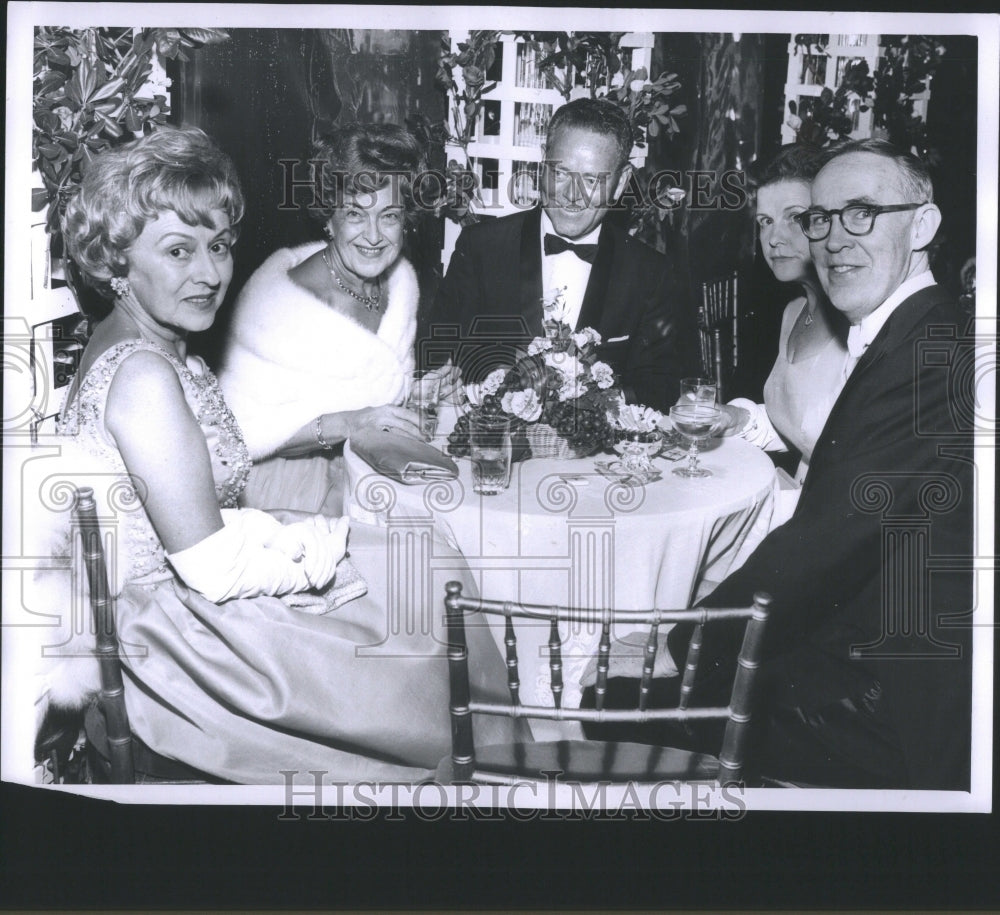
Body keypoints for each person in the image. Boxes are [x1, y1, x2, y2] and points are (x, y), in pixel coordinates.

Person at [39, 126, 521, 785]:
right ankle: (474, 782)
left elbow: (192, 515)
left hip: (179, 601)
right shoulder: (145, 377)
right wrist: (321, 552)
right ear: (116, 262)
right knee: (421, 622)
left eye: (219, 245)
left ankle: (481, 762)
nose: (210, 272)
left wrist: (314, 539)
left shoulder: (142, 344)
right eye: (179, 250)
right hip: (176, 646)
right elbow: (211, 567)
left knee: (420, 561)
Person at [589, 139, 974, 790]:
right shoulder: (909, 331)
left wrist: (680, 648)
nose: (832, 239)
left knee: (605, 702)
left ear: (925, 224)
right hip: (859, 642)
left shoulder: (932, 354)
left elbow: (823, 543)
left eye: (862, 213)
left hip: (890, 703)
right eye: (819, 219)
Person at [419, 97, 698, 412]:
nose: (572, 196)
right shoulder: (481, 248)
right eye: (561, 173)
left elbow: (662, 385)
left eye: (592, 180)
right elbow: (438, 358)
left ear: (621, 183)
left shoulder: (650, 272)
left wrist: (593, 400)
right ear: (542, 164)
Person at [218, 124, 430, 516]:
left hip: (373, 476)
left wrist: (411, 393)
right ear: (328, 218)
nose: (373, 235)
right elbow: (236, 435)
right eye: (355, 213)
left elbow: (368, 387)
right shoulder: (281, 307)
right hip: (290, 496)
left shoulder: (399, 286)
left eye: (389, 216)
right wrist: (347, 424)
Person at [729, 144, 849, 483]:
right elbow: (796, 426)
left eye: (794, 218)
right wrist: (737, 419)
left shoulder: (860, 325)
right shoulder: (792, 312)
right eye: (765, 221)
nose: (774, 239)